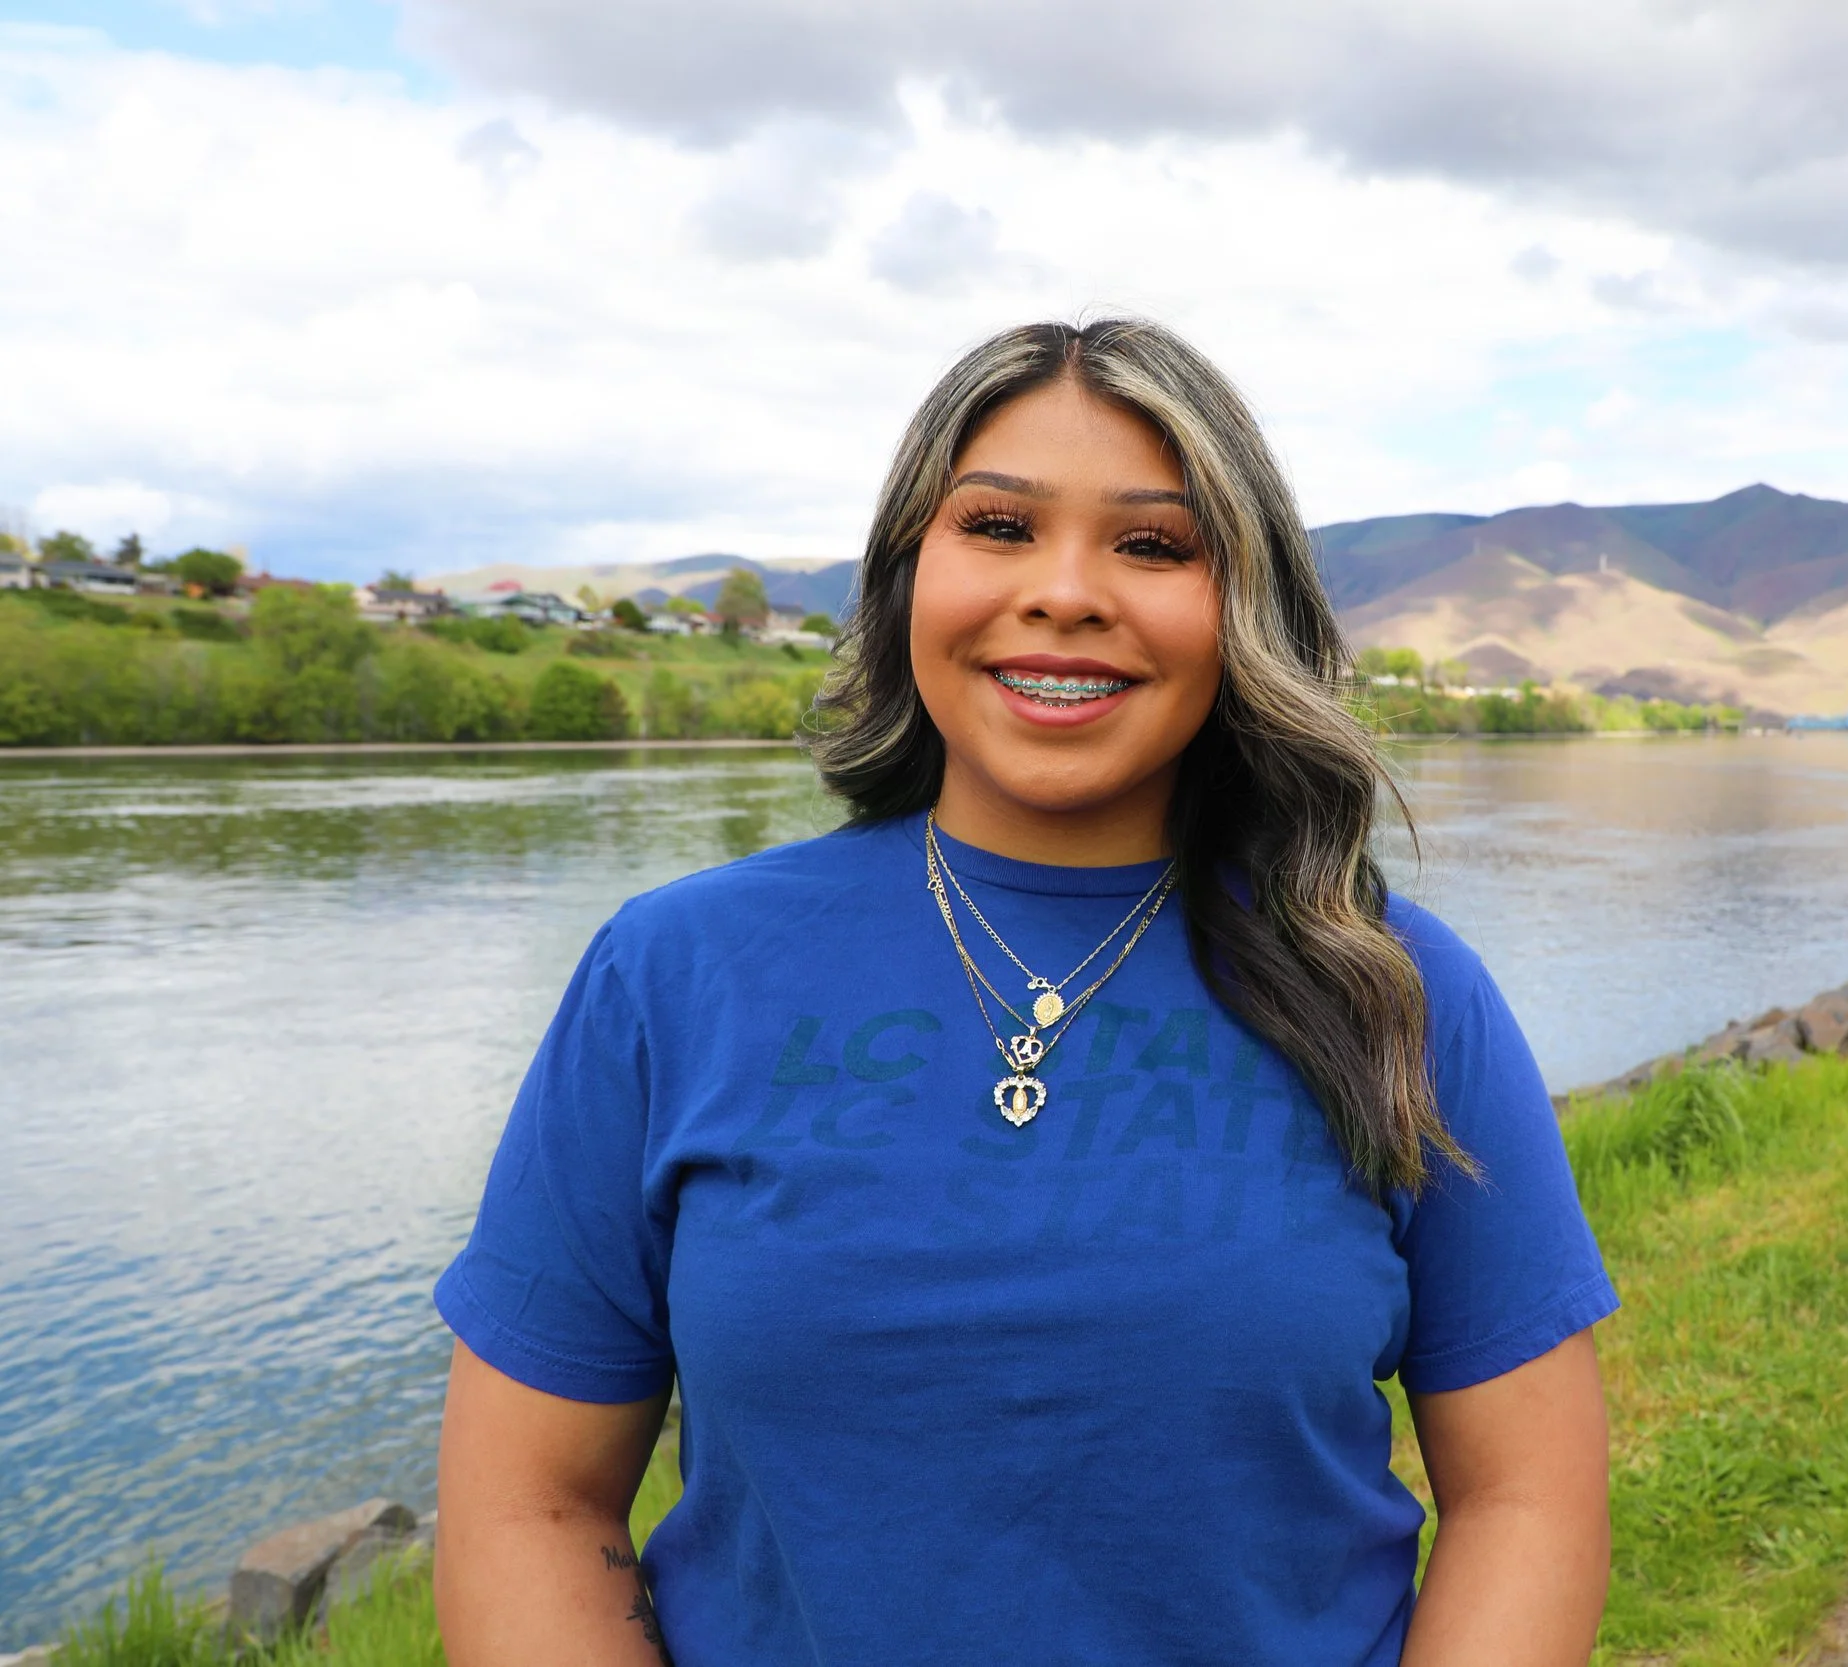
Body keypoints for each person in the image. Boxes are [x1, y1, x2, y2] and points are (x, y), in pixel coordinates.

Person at [431, 319, 1617, 1666]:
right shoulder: (673, 973)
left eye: (1154, 543)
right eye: (997, 525)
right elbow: (530, 1500)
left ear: (1245, 611)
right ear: (904, 577)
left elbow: (1528, 1495)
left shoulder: (1397, 993)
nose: (1064, 591)